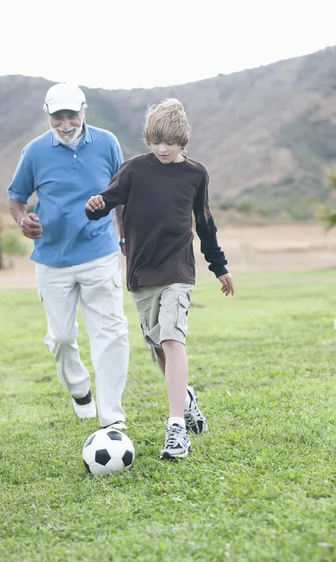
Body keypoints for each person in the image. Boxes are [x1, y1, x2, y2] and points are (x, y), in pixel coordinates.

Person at [85, 98, 234, 459]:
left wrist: (219, 266)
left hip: (178, 269)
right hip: (141, 272)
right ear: (148, 139)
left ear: (183, 140)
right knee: (158, 349)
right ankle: (186, 398)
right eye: (156, 141)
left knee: (171, 338)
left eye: (169, 142)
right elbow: (107, 200)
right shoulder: (134, 169)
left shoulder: (196, 174)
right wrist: (95, 207)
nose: (162, 149)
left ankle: (176, 428)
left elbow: (205, 223)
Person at [7, 82, 129, 429]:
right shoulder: (33, 152)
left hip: (99, 252)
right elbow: (16, 197)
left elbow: (122, 193)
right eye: (57, 117)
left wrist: (125, 238)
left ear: (83, 111)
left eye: (71, 115)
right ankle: (79, 390)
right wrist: (23, 221)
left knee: (111, 333)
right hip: (52, 259)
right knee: (61, 338)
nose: (65, 124)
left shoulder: (107, 143)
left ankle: (112, 419)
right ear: (48, 116)